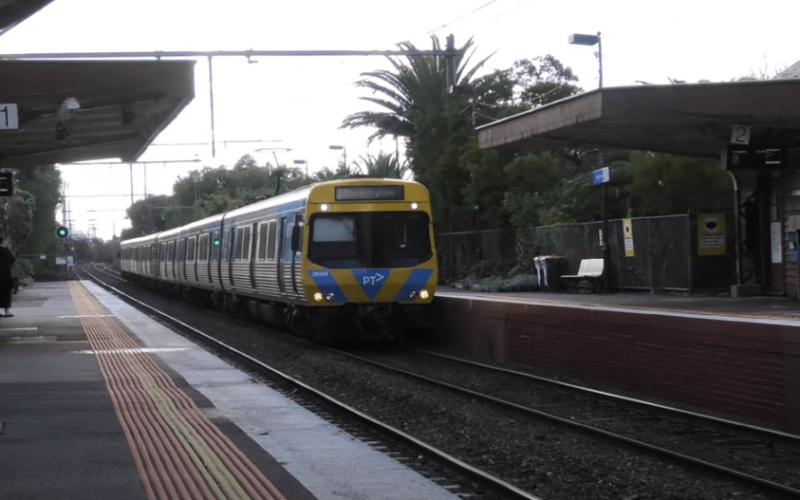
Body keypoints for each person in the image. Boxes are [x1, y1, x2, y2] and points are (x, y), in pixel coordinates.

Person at [0, 236, 16, 317]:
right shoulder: (6, 251)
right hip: (5, 275)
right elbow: (13, 260)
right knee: (6, 294)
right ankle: (7, 312)